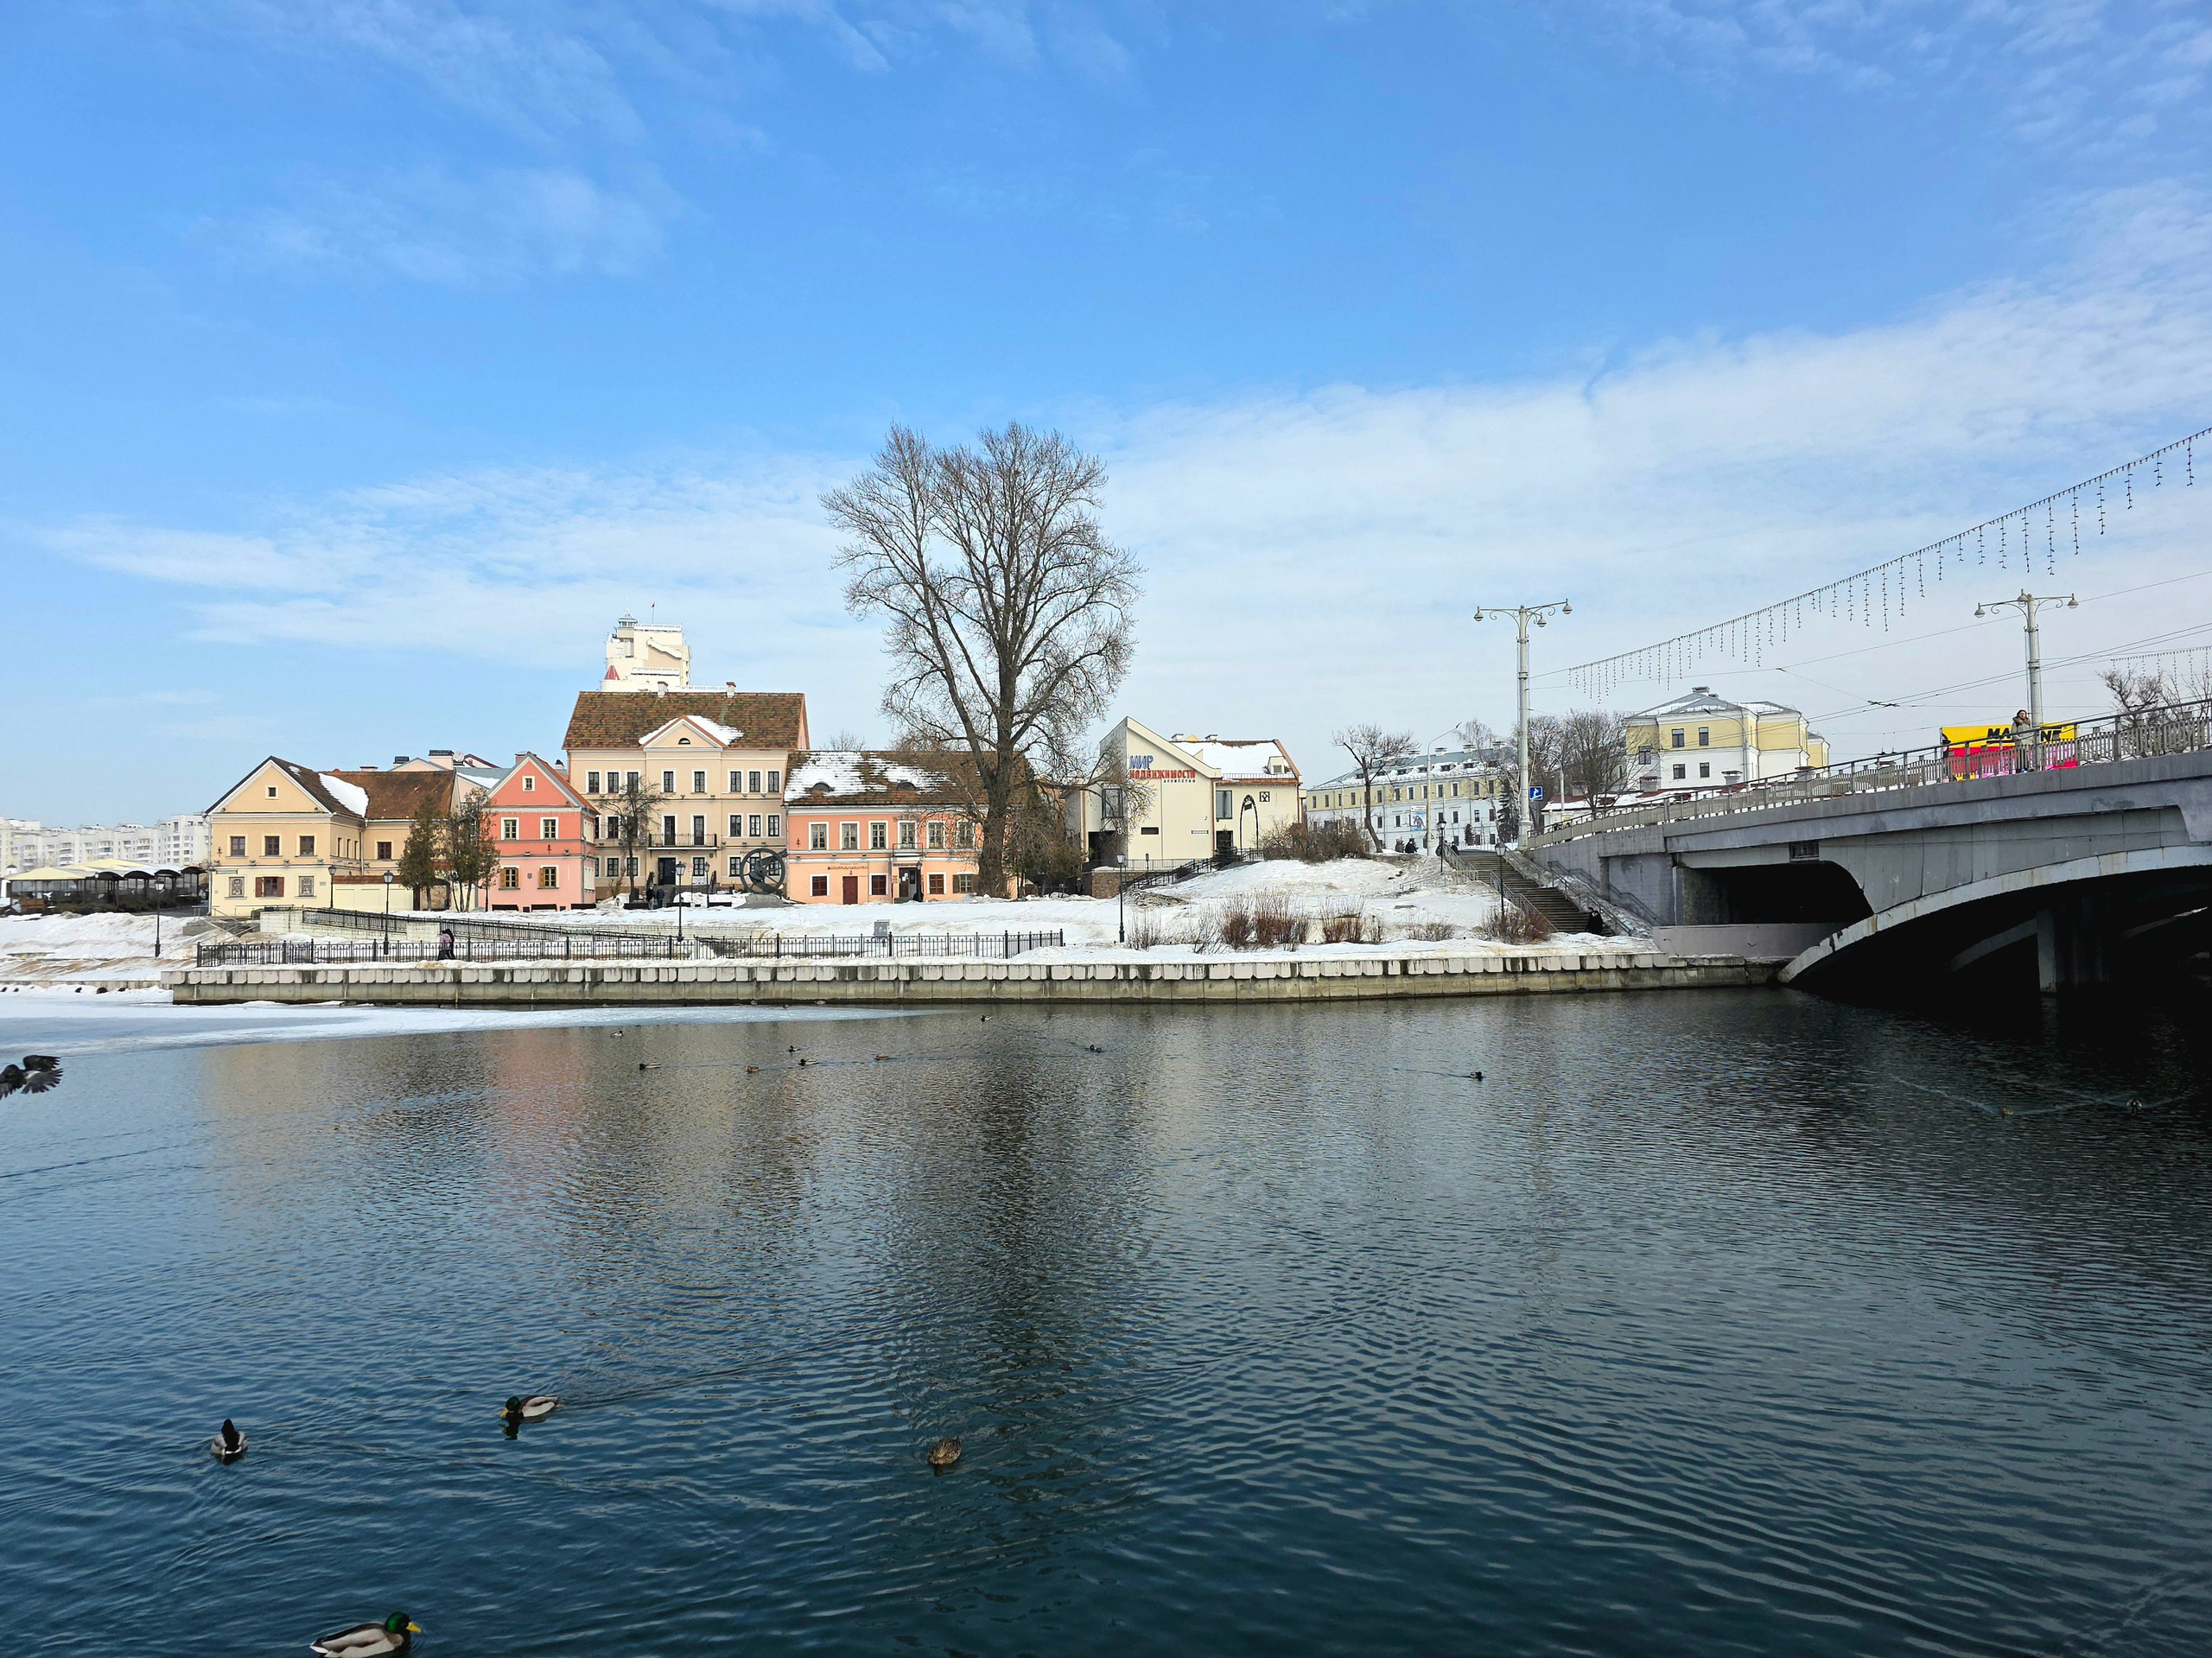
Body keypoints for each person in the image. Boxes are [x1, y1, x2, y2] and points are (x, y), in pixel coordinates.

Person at [2011, 708, 2038, 772]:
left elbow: (2031, 731)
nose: (2023, 715)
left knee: (2028, 755)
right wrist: (2018, 738)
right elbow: (2013, 732)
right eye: (2021, 714)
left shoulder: (2028, 722)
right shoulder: (2016, 722)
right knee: (2022, 755)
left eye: (2024, 714)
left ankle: (2027, 767)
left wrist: (2032, 739)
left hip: (2028, 741)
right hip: (2020, 741)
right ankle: (2022, 768)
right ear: (2018, 715)